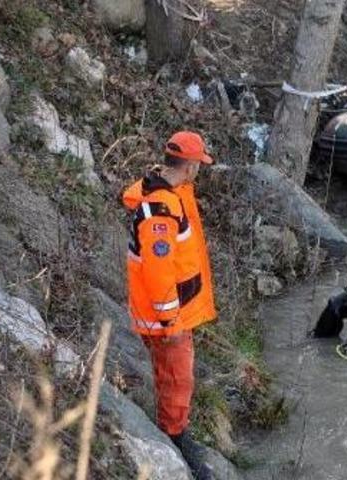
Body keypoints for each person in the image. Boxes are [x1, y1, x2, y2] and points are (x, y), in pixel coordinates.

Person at [122, 131, 217, 479]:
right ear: (190, 166)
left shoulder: (168, 192)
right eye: (199, 164)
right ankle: (175, 436)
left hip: (172, 310)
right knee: (177, 377)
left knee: (172, 375)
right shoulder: (161, 211)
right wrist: (171, 322)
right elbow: (159, 272)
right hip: (165, 315)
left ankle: (174, 426)